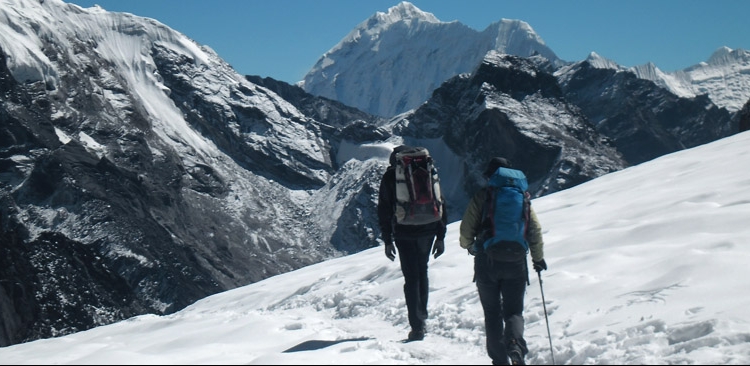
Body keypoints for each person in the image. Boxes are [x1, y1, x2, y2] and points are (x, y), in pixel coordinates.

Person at [459, 157, 546, 365]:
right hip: (516, 262)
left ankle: (499, 361)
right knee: (514, 311)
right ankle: (515, 344)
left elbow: (465, 231)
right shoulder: (522, 198)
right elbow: (534, 230)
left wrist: (470, 246)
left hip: (486, 262)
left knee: (492, 313)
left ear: (491, 176)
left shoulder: (483, 197)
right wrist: (538, 258)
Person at [378, 145, 448, 342]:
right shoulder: (427, 171)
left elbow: (384, 209)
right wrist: (441, 235)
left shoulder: (391, 177)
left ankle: (416, 326)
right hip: (428, 230)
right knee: (422, 271)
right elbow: (441, 201)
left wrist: (387, 239)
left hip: (404, 233)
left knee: (411, 277)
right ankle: (422, 317)